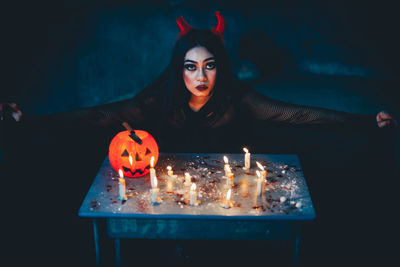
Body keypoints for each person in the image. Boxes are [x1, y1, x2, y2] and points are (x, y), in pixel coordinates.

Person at [0, 11, 398, 266]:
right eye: (191, 67)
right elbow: (103, 115)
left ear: (219, 68)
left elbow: (296, 114)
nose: (201, 77)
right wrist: (31, 120)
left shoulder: (237, 98)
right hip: (173, 196)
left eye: (209, 66)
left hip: (228, 195)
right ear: (180, 70)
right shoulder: (160, 98)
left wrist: (365, 121)